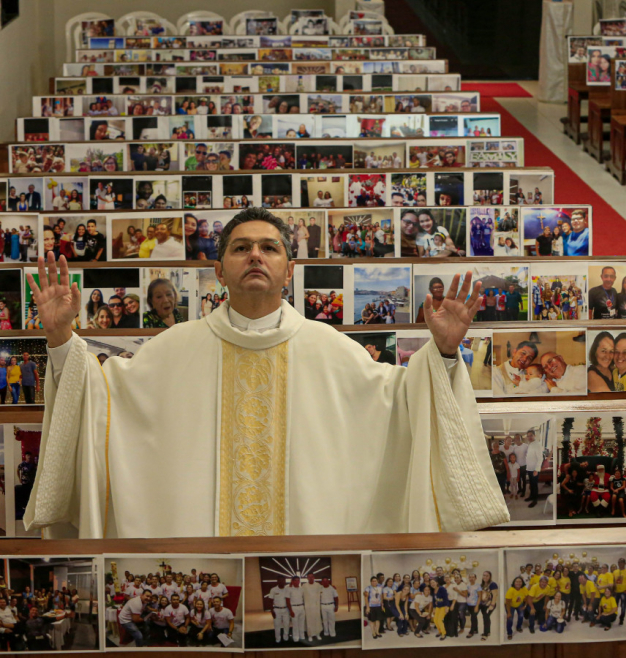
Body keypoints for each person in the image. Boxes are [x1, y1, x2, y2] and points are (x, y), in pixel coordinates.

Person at [25, 207, 509, 538]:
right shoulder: (172, 351)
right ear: (219, 270)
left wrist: (443, 353)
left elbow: (405, 401)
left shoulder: (332, 350)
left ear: (289, 269)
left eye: (269, 248)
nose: (255, 256)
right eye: (240, 248)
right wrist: (62, 341)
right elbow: (99, 400)